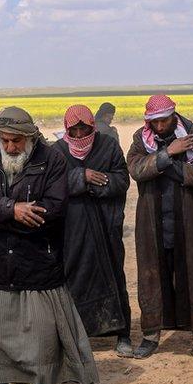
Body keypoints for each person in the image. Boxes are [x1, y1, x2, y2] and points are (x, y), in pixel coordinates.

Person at [0, 106, 98, 384]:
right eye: (5, 140)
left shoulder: (52, 160)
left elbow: (52, 209)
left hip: (40, 259)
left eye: (16, 141)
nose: (10, 147)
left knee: (42, 334)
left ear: (30, 136)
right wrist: (11, 210)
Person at [126, 95, 193, 362]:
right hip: (153, 222)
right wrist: (169, 153)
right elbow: (137, 170)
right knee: (152, 276)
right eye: (155, 121)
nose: (160, 125)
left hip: (189, 219)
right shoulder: (140, 139)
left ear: (174, 115)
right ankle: (151, 335)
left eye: (164, 119)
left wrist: (167, 165)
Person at [53, 105, 132, 357]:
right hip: (71, 230)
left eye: (83, 129)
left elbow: (122, 179)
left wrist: (98, 184)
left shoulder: (108, 145)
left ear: (91, 127)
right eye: (73, 130)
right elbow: (52, 185)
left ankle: (122, 333)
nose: (78, 135)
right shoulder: (56, 152)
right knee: (72, 277)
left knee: (113, 275)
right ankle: (76, 335)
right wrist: (81, 176)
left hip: (105, 225)